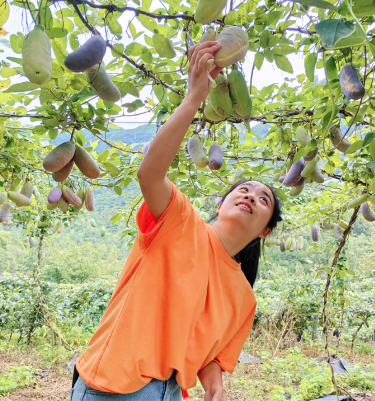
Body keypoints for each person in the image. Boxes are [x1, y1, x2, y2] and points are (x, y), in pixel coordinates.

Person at [70, 41, 282, 401]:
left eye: (263, 199)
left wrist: (214, 384)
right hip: (117, 385)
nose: (250, 196)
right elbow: (150, 174)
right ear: (221, 202)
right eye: (244, 189)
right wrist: (193, 98)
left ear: (265, 230)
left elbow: (209, 355)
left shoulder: (244, 298)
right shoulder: (180, 219)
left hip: (170, 392)